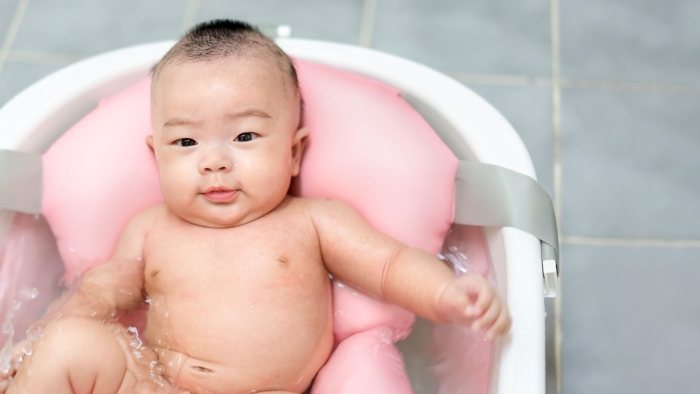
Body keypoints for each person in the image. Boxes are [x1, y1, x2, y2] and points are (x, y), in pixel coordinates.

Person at [1, 20, 511, 394]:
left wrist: (447, 294)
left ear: (292, 152)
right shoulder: (150, 228)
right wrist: (37, 340)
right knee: (70, 342)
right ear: (155, 156)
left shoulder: (312, 222)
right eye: (185, 143)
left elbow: (389, 265)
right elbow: (98, 293)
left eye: (244, 135)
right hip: (153, 385)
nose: (214, 162)